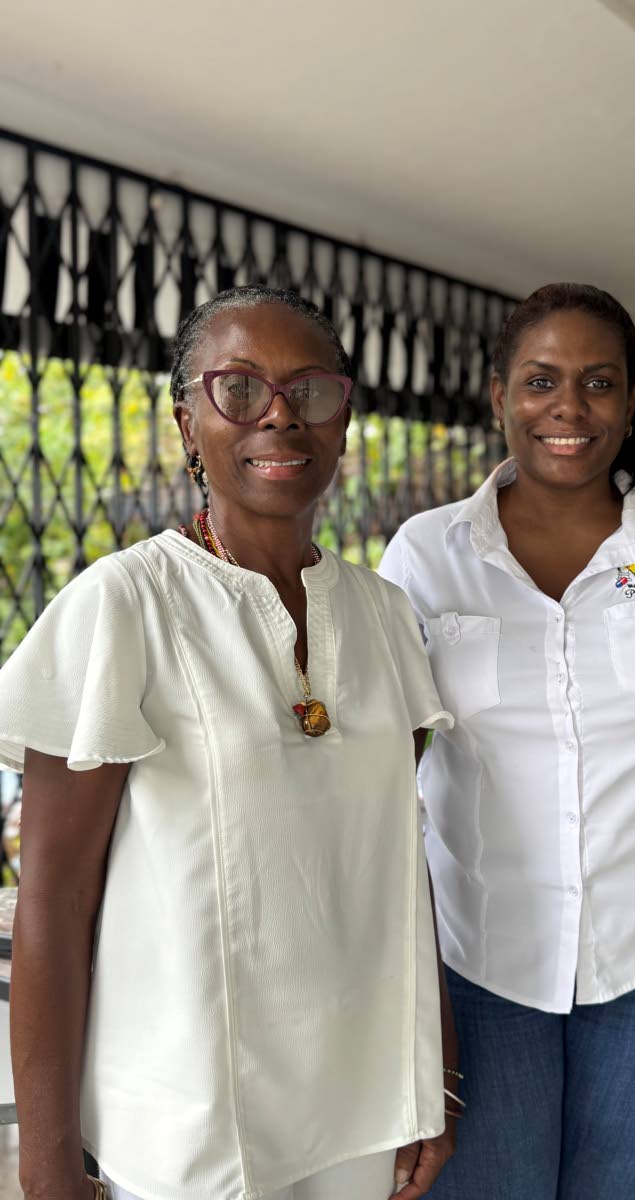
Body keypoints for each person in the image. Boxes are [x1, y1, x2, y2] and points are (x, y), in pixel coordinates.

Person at [0, 286, 460, 1200]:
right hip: (192, 1124)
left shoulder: (384, 614)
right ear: (187, 423)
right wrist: (48, 1165)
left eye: (310, 390)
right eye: (238, 388)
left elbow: (398, 863)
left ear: (344, 416)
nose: (280, 416)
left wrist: (433, 1078)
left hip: (361, 1107)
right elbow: (51, 901)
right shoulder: (123, 605)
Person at [378, 283, 635, 1199]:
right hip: (477, 974)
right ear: (499, 396)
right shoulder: (425, 556)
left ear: (631, 402)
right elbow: (379, 780)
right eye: (540, 380)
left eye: (599, 382)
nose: (568, 407)